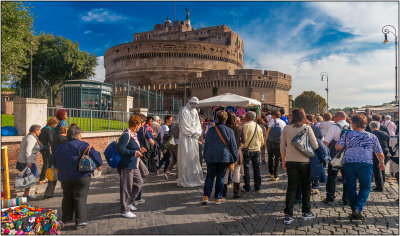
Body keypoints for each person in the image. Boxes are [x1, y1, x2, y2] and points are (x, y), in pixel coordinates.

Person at [336, 114, 385, 220]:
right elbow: (379, 153)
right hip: (365, 163)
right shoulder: (372, 136)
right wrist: (381, 162)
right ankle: (357, 208)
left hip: (349, 163)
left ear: (353, 124)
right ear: (364, 124)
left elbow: (338, 146)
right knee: (365, 187)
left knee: (351, 187)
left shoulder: (348, 134)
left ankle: (355, 209)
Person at [53, 126, 103, 229]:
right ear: (78, 135)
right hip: (81, 176)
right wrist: (99, 164)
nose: (81, 136)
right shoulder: (83, 145)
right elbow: (95, 154)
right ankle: (80, 221)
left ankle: (66, 218)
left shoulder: (60, 147)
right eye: (81, 135)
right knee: (80, 197)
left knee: (67, 196)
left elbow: (54, 161)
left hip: (65, 177)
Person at [280, 108, 319, 225]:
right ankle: (306, 212)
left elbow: (282, 146)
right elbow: (315, 145)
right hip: (305, 161)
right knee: (306, 187)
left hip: (290, 161)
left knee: (291, 187)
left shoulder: (286, 128)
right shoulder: (307, 128)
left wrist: (283, 160)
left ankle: (288, 214)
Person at [202, 110, 238, 204]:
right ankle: (218, 198)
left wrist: (204, 155)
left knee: (209, 176)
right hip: (223, 156)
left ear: (217, 118)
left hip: (211, 156)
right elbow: (233, 146)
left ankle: (206, 197)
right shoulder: (229, 131)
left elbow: (206, 144)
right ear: (226, 119)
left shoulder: (211, 130)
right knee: (220, 177)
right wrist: (235, 158)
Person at [117, 115, 147, 219]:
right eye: (139, 124)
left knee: (139, 182)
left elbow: (133, 147)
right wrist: (134, 153)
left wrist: (140, 149)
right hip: (127, 165)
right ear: (135, 124)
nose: (140, 127)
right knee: (126, 188)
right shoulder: (126, 135)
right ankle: (124, 210)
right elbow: (120, 149)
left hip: (134, 164)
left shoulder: (133, 134)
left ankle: (129, 202)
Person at [322, 111, 351, 205]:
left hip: (335, 155)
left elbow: (326, 143)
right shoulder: (351, 126)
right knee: (347, 177)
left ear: (338, 117)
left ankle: (330, 197)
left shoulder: (334, 127)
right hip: (348, 155)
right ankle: (346, 199)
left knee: (332, 177)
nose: (333, 118)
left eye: (334, 117)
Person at [176, 97, 204, 187]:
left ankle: (193, 176)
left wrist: (197, 132)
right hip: (186, 137)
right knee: (186, 156)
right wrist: (192, 131)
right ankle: (186, 177)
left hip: (193, 137)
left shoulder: (195, 111)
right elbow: (184, 124)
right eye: (195, 104)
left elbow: (197, 123)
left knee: (193, 156)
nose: (196, 106)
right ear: (191, 103)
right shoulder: (184, 111)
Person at [223, 112, 246, 199]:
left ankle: (223, 192)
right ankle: (235, 193)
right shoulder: (240, 127)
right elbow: (244, 141)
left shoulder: (224, 128)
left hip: (226, 152)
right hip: (237, 151)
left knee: (225, 173)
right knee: (236, 173)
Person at [16, 125, 42, 199]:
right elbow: (28, 150)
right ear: (35, 131)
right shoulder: (31, 138)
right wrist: (29, 161)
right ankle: (25, 194)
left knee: (28, 176)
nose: (40, 132)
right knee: (32, 176)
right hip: (27, 161)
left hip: (25, 160)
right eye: (39, 130)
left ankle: (25, 192)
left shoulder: (29, 137)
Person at [241, 111, 264, 192]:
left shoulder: (245, 126)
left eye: (246, 116)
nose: (244, 117)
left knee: (246, 169)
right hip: (257, 150)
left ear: (248, 117)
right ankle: (257, 186)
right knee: (256, 168)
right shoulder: (259, 127)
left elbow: (243, 140)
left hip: (247, 150)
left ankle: (247, 186)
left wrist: (242, 147)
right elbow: (262, 141)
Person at [44, 126, 69, 199]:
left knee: (53, 176)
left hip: (53, 157)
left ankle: (48, 193)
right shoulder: (64, 139)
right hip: (60, 158)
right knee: (64, 176)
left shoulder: (56, 137)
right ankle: (66, 192)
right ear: (65, 131)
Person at [369, 121, 390, 192]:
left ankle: (379, 186)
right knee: (382, 167)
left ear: (371, 127)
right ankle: (382, 182)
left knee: (377, 169)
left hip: (376, 153)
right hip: (386, 152)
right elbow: (388, 142)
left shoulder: (370, 134)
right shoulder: (385, 133)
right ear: (379, 126)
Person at [266, 110, 286, 181]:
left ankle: (271, 173)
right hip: (279, 142)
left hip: (271, 141)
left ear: (274, 115)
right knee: (277, 159)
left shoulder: (272, 121)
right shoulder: (283, 122)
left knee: (270, 157)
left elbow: (268, 131)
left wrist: (266, 140)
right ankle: (276, 175)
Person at [38, 117, 59, 183]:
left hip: (42, 147)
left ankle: (47, 175)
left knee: (49, 162)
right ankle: (42, 178)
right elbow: (51, 139)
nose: (56, 126)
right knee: (46, 163)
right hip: (45, 148)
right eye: (56, 124)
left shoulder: (44, 128)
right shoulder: (49, 130)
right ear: (53, 123)